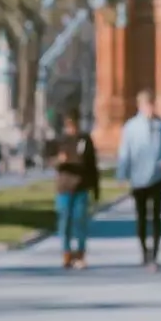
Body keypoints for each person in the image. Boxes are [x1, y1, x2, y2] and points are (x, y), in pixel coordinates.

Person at [116, 89, 161, 271]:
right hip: (138, 179)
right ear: (140, 106)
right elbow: (124, 152)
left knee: (157, 217)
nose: (150, 108)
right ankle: (145, 252)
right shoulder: (131, 127)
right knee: (142, 217)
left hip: (158, 177)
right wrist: (122, 174)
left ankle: (155, 255)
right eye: (146, 104)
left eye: (152, 104)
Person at [49, 112, 99, 270]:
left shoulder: (85, 140)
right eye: (69, 124)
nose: (72, 127)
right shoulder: (60, 141)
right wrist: (59, 160)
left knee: (80, 222)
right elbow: (51, 161)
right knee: (64, 222)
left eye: (74, 123)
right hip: (64, 188)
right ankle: (66, 253)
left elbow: (92, 165)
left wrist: (96, 188)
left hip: (81, 186)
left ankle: (80, 254)